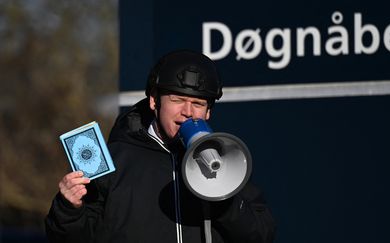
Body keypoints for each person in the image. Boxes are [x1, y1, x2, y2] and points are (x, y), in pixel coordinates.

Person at [45, 50, 276, 243]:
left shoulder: (224, 158)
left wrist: (223, 199)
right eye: (177, 100)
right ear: (154, 101)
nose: (187, 112)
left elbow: (261, 235)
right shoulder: (114, 159)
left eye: (198, 103)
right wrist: (69, 209)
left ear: (208, 111)